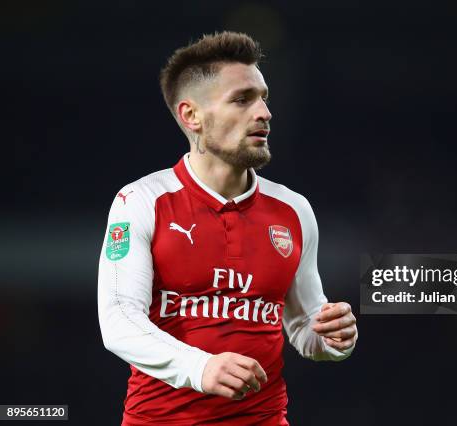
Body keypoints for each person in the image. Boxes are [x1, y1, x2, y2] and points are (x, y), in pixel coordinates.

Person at [97, 31, 358, 425]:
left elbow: (306, 325)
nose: (264, 113)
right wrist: (198, 366)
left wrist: (332, 338)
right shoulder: (140, 202)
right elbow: (118, 320)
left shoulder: (294, 210)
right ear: (191, 116)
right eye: (241, 99)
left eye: (263, 98)